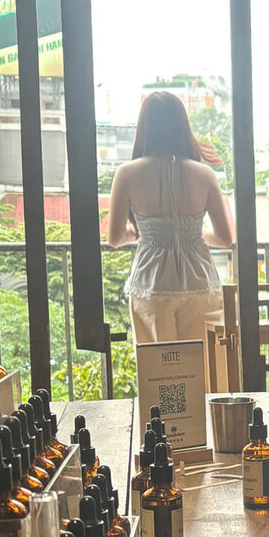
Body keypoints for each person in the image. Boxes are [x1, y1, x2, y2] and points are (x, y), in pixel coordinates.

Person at [106, 91, 234, 346]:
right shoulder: (204, 174)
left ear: (144, 127)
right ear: (182, 125)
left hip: (151, 284)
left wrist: (141, 231)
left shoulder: (127, 173)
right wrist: (193, 233)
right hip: (199, 282)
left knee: (158, 372)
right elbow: (225, 238)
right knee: (205, 369)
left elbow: (115, 238)